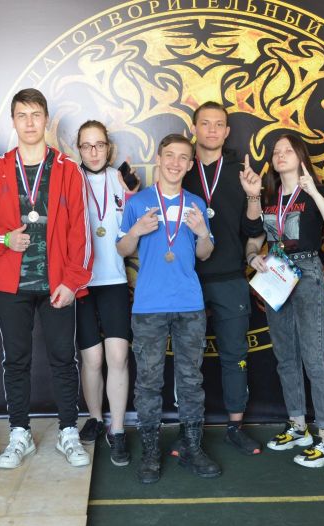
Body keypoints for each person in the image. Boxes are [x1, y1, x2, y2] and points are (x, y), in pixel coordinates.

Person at [0, 88, 93, 469]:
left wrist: (72, 281)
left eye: (36, 115)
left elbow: (81, 232)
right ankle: (19, 432)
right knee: (15, 361)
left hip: (57, 284)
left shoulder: (68, 169)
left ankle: (68, 431)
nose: (30, 122)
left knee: (63, 359)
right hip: (11, 283)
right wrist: (6, 239)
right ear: (13, 121)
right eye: (22, 115)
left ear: (46, 119)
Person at [117, 133, 219, 484]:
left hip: (189, 303)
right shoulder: (139, 202)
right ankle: (150, 451)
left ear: (190, 164)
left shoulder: (196, 203)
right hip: (149, 305)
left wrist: (202, 232)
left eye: (183, 158)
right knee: (148, 381)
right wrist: (136, 230)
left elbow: (205, 253)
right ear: (158, 159)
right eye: (170, 155)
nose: (176, 163)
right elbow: (122, 249)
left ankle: (192, 447)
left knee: (191, 379)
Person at [246, 133, 324, 468]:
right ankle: (298, 426)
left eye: (288, 150)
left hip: (306, 272)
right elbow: (255, 238)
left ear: (301, 156)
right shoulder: (269, 196)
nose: (281, 155)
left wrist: (314, 192)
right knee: (285, 357)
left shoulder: (315, 191)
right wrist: (252, 257)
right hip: (275, 273)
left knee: (315, 357)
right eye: (276, 152)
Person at [176, 101, 264, 456]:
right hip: (187, 278)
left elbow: (253, 230)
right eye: (205, 123)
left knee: (235, 355)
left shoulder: (241, 171)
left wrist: (253, 195)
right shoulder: (180, 169)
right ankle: (188, 430)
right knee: (187, 359)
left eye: (218, 124)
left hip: (230, 278)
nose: (212, 130)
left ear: (227, 132)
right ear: (194, 128)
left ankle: (235, 427)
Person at [74, 120, 132, 467]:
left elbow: (136, 223)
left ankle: (118, 429)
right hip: (81, 281)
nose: (94, 152)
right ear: (78, 149)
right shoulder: (70, 178)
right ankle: (95, 418)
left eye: (99, 145)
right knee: (92, 359)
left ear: (108, 147)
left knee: (118, 357)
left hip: (114, 280)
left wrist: (132, 194)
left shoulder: (122, 180)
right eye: (86, 145)